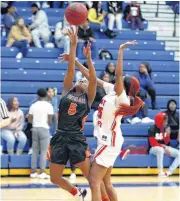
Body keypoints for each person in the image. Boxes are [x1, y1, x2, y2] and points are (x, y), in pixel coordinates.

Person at [68, 41, 143, 201]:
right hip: (108, 141)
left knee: (94, 182)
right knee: (105, 183)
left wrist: (121, 51)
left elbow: (117, 74)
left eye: (122, 79)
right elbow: (92, 77)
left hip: (109, 142)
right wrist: (75, 61)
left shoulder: (121, 98)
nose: (119, 79)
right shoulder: (112, 90)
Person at [50, 28, 109, 201]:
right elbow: (70, 69)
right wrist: (73, 45)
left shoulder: (89, 97)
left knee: (93, 178)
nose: (82, 80)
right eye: (80, 79)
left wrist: (89, 58)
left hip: (76, 139)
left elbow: (92, 77)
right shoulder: (67, 91)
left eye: (84, 80)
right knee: (54, 178)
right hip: (60, 137)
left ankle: (105, 199)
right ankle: (77, 193)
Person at [28, 88, 54, 179]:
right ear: (46, 95)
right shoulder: (49, 106)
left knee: (34, 151)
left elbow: (29, 119)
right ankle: (42, 171)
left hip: (35, 129)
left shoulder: (33, 105)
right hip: (44, 129)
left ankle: (33, 172)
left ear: (37, 95)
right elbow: (50, 120)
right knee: (43, 151)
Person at [149, 112, 180, 177]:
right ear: (160, 121)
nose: (166, 123)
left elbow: (166, 143)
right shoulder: (151, 129)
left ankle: (169, 172)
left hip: (163, 147)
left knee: (179, 154)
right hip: (153, 148)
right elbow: (153, 143)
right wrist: (164, 148)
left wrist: (168, 135)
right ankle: (160, 172)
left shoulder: (164, 128)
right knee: (160, 150)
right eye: (165, 121)